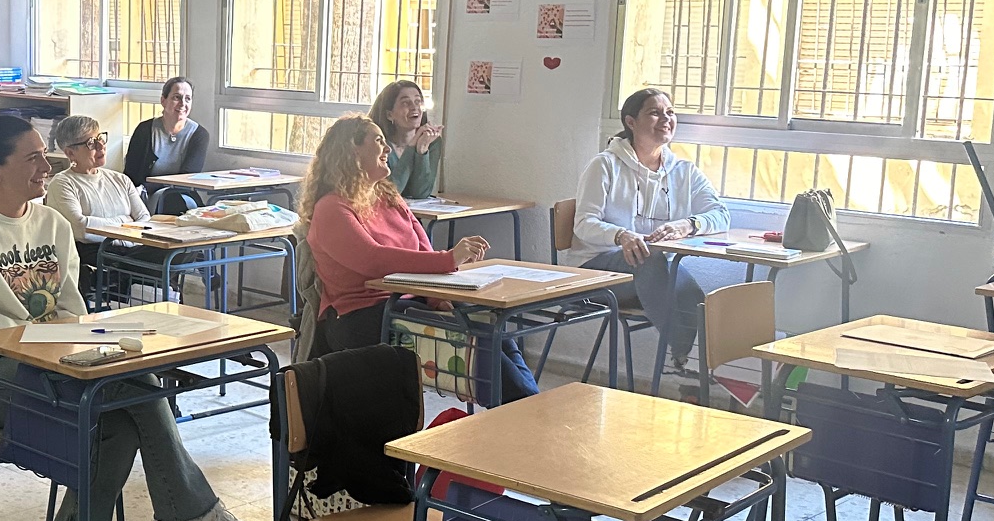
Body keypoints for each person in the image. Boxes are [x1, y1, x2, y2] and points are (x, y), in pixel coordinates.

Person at [0, 113, 267, 521]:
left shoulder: (51, 224)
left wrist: (72, 341)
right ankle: (194, 516)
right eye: (32, 158)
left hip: (51, 361)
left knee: (116, 425)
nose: (46, 166)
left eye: (45, 155)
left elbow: (71, 311)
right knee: (135, 388)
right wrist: (47, 341)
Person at [300, 115, 541, 399]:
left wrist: (437, 297)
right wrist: (449, 259)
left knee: (494, 331)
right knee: (474, 347)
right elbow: (373, 260)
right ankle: (528, 408)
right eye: (378, 141)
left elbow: (423, 249)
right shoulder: (331, 207)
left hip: (408, 302)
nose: (387, 148)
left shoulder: (388, 198)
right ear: (352, 151)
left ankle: (529, 405)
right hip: (363, 315)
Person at [572, 86, 732, 372]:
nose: (666, 119)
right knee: (654, 263)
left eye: (670, 112)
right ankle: (686, 360)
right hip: (596, 272)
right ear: (631, 122)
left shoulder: (684, 171)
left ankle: (693, 365)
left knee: (691, 294)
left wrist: (689, 224)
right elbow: (583, 223)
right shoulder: (604, 165)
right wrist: (621, 235)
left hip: (652, 274)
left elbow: (721, 214)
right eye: (655, 113)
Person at [46, 114, 150, 300]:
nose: (101, 146)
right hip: (96, 254)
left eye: (100, 138)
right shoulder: (62, 183)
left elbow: (145, 220)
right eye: (91, 143)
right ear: (70, 153)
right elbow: (81, 228)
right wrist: (125, 220)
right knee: (148, 265)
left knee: (176, 253)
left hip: (132, 249)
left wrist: (112, 229)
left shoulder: (121, 179)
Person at [123, 77, 209, 213]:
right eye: (176, 97)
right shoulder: (144, 130)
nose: (182, 104)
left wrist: (153, 186)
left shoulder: (199, 135)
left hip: (180, 193)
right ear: (163, 100)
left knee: (174, 201)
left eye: (188, 99)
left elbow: (186, 178)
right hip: (143, 195)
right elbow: (131, 173)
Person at [368, 79, 443, 200]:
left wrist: (421, 150)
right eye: (405, 103)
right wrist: (411, 147)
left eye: (418, 101)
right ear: (389, 115)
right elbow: (389, 193)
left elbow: (420, 193)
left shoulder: (432, 141)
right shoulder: (377, 143)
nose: (414, 107)